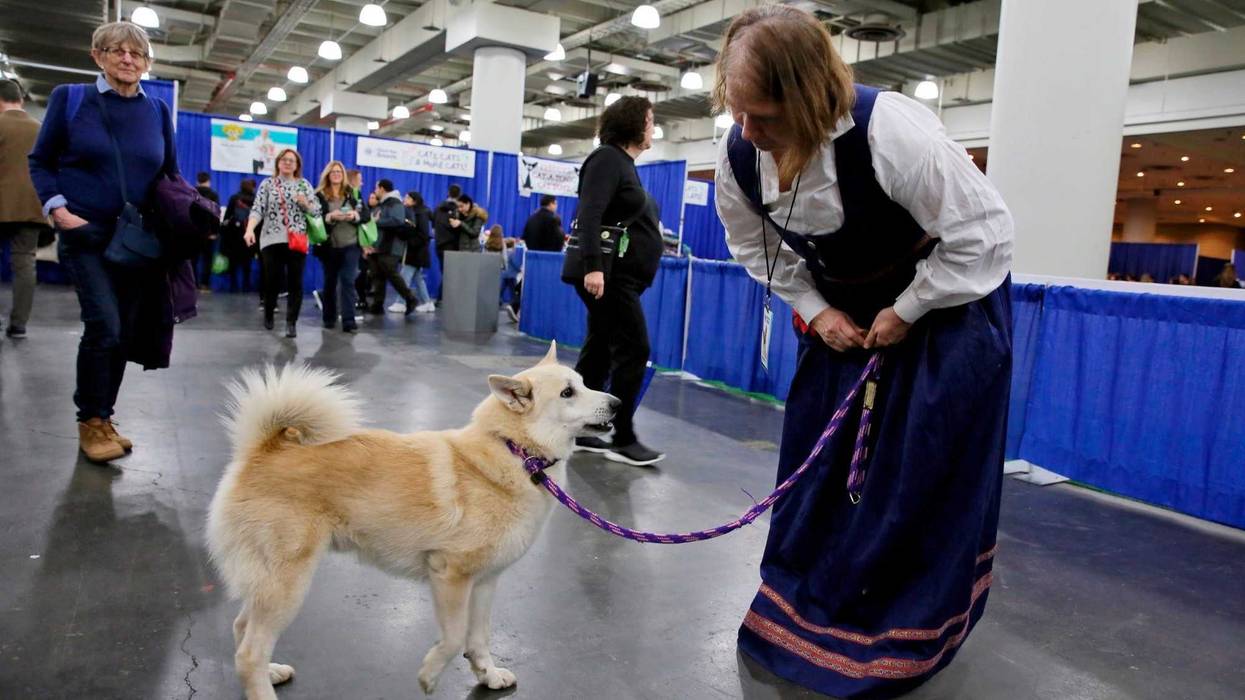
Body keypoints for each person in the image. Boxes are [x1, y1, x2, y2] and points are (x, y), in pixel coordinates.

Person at [712, 7, 1014, 698]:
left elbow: (985, 235)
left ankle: (899, 630)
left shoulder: (892, 131)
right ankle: (805, 611)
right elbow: (755, 249)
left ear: (809, 94)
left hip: (945, 313)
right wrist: (816, 313)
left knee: (912, 475)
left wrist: (906, 310)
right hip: (844, 320)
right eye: (738, 113)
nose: (748, 133)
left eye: (763, 116)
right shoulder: (741, 152)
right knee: (819, 468)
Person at [27, 21, 186, 463]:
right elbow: (40, 161)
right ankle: (90, 421)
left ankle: (103, 417)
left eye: (137, 54)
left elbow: (169, 174)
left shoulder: (156, 111)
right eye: (116, 51)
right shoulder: (71, 99)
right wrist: (58, 210)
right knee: (104, 326)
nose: (128, 59)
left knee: (124, 333)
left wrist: (187, 215)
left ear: (147, 62)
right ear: (98, 56)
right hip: (86, 234)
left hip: (135, 241)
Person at [563, 95, 665, 467]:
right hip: (609, 277)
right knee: (634, 348)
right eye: (650, 121)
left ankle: (585, 429)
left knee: (601, 347)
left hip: (618, 278)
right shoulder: (607, 158)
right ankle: (622, 436)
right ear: (633, 123)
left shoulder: (623, 163)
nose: (653, 128)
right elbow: (589, 212)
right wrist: (593, 266)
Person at [243, 147, 321, 338]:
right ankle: (269, 311)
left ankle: (291, 322)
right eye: (284, 160)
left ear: (297, 165)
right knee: (272, 280)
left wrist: (306, 203)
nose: (287, 163)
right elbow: (257, 209)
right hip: (271, 239)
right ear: (278, 162)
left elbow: (316, 212)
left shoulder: (304, 185)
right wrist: (250, 229)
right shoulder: (268, 184)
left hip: (298, 239)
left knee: (296, 282)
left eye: (291, 161)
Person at [0, 78, 44, 339]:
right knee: (25, 263)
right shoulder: (40, 128)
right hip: (31, 206)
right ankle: (18, 325)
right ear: (22, 100)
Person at [314, 160, 369, 333]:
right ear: (328, 175)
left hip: (351, 243)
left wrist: (355, 215)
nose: (336, 174)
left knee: (348, 280)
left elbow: (366, 215)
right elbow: (315, 218)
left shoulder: (353, 193)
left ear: (343, 174)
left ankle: (349, 321)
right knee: (330, 282)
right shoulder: (320, 195)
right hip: (329, 245)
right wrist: (330, 217)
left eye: (339, 171)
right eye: (333, 171)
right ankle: (329, 317)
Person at [367, 179, 419, 316]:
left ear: (382, 189)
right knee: (378, 275)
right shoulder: (384, 204)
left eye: (376, 188)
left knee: (391, 274)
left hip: (391, 246)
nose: (375, 191)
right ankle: (377, 305)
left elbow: (397, 220)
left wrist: (377, 222)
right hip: (380, 246)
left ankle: (410, 298)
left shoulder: (394, 203)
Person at [386, 191, 435, 313]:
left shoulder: (420, 214)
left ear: (414, 200)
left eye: (407, 197)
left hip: (416, 251)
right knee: (418, 278)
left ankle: (401, 302)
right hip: (414, 251)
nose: (404, 199)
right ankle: (427, 302)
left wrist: (409, 240)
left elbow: (422, 234)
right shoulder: (413, 212)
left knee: (404, 277)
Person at [220, 179, 257, 292]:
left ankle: (233, 286)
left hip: (233, 234)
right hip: (249, 233)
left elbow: (227, 217)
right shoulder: (255, 199)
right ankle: (246, 285)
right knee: (247, 262)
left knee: (233, 262)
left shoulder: (234, 198)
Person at [432, 184, 463, 293]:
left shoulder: (438, 208)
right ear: (459, 195)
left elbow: (433, 228)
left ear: (448, 193)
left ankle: (442, 297)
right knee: (451, 273)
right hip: (452, 245)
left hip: (439, 244)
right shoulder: (459, 210)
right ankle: (443, 297)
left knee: (445, 272)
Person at [194, 171, 220, 291]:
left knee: (192, 259)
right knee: (207, 260)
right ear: (208, 181)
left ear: (197, 180)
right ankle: (205, 285)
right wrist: (215, 232)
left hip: (192, 231)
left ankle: (193, 283)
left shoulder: (191, 193)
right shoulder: (213, 195)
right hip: (208, 233)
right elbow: (216, 215)